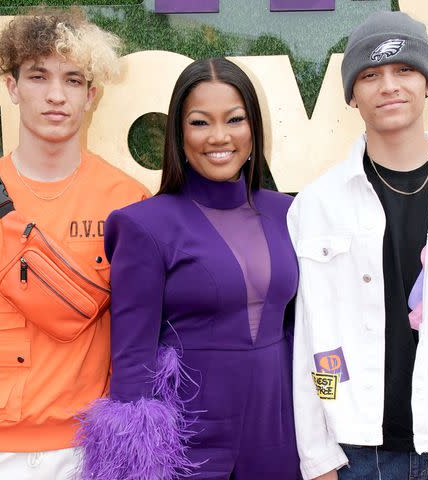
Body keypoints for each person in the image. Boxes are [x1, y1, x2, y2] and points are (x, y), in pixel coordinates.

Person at [288, 11, 428, 480]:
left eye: (404, 70)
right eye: (370, 75)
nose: (388, 86)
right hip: (355, 451)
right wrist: (318, 457)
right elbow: (312, 338)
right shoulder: (316, 205)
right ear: (352, 95)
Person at [0, 7, 149, 479]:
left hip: (87, 448)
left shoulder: (128, 202)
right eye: (39, 76)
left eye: (73, 79)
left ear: (92, 94)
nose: (56, 95)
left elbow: (140, 334)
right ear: (12, 86)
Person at [78, 57, 301, 480]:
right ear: (179, 135)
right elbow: (133, 364)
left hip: (279, 439)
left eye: (235, 119)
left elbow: (304, 331)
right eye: (200, 122)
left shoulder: (290, 213)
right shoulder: (142, 225)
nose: (220, 136)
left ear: (253, 128)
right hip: (187, 449)